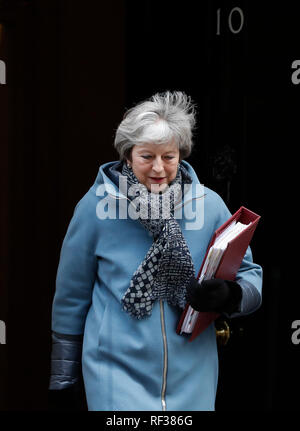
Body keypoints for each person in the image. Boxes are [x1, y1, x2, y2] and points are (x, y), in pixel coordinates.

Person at [48, 91, 262, 411]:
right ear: (128, 155)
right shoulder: (95, 207)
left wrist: (229, 296)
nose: (159, 168)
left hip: (193, 372)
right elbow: (72, 295)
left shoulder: (210, 204)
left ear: (181, 155)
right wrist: (63, 379)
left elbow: (250, 276)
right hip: (114, 371)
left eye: (169, 156)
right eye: (147, 156)